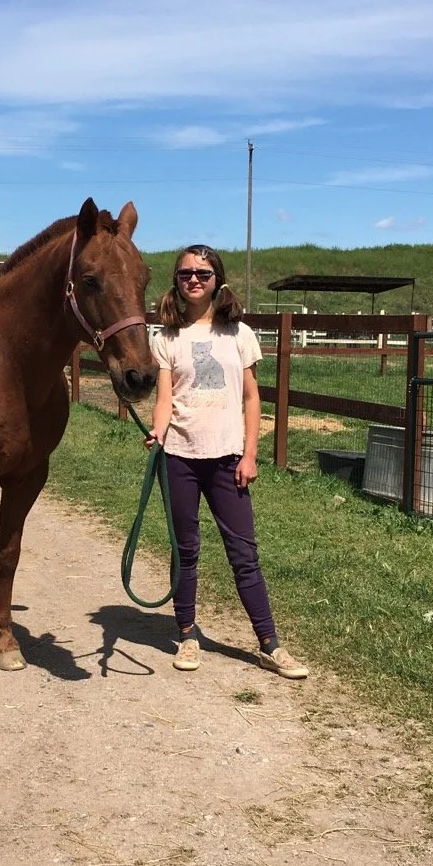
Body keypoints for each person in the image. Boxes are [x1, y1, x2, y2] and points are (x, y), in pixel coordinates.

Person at [146, 245, 308, 679]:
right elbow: (165, 399)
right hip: (178, 456)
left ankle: (270, 643)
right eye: (185, 273)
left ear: (218, 278)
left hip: (228, 458)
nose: (193, 279)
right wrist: (158, 431)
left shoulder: (239, 334)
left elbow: (251, 397)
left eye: (202, 272)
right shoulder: (166, 337)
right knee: (186, 550)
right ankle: (186, 633)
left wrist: (251, 453)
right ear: (176, 280)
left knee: (244, 553)